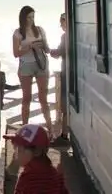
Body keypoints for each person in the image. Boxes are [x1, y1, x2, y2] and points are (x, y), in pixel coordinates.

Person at [0, 124, 68, 194]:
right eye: (15, 148)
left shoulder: (31, 180)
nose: (15, 154)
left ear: (37, 152)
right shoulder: (53, 173)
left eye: (19, 150)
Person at [12, 5, 54, 136]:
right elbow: (16, 53)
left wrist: (43, 45)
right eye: (28, 17)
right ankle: (25, 129)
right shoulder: (18, 33)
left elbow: (47, 49)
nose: (31, 20)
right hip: (26, 66)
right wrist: (30, 47)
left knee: (43, 98)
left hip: (41, 64)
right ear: (23, 18)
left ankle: (50, 130)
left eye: (33, 17)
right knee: (26, 98)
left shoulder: (40, 30)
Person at [50, 13, 69, 142]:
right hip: (73, 74)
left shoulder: (65, 37)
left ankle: (64, 136)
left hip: (68, 73)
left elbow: (58, 53)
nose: (61, 26)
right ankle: (65, 134)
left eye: (62, 23)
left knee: (65, 105)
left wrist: (48, 50)